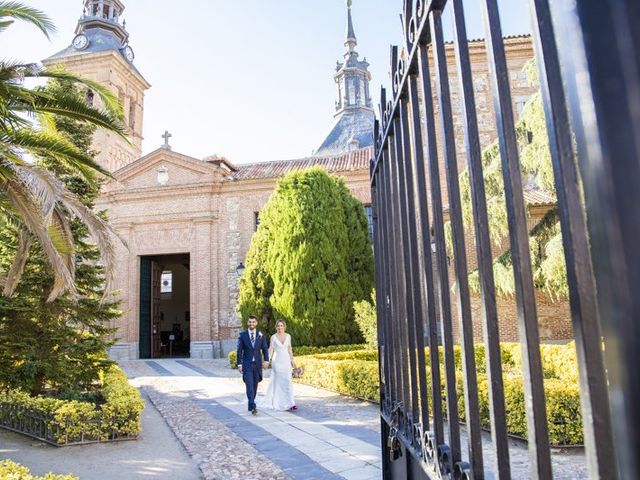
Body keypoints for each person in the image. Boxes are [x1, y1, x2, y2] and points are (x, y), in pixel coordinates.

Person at [261, 319, 297, 411]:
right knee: (279, 382)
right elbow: (271, 350)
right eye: (278, 326)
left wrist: (292, 360)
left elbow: (289, 348)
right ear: (276, 327)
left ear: (284, 327)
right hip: (277, 362)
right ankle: (279, 402)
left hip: (286, 361)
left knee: (288, 381)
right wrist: (267, 361)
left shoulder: (288, 336)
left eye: (281, 326)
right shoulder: (273, 337)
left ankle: (291, 403)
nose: (280, 327)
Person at [236, 315, 269, 415]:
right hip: (247, 365)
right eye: (250, 322)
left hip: (257, 364)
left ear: (256, 323)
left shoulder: (260, 335)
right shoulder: (243, 335)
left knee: (255, 385)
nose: (251, 324)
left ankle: (251, 403)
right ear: (247, 323)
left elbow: (264, 348)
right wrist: (239, 364)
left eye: (253, 322)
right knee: (249, 384)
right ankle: (253, 405)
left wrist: (266, 360)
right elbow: (239, 351)